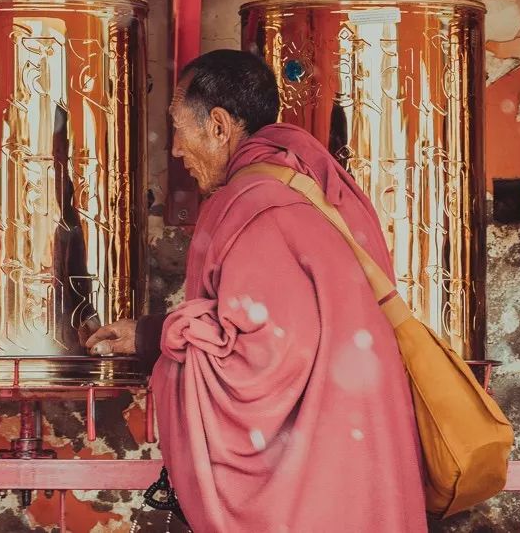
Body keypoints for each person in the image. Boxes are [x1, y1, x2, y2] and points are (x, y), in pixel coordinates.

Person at [86, 49, 426, 532]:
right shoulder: (304, 181)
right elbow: (281, 322)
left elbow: (260, 361)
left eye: (179, 129)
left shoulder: (255, 204)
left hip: (317, 474)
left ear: (218, 126)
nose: (176, 150)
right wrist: (149, 333)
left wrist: (160, 340)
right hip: (356, 449)